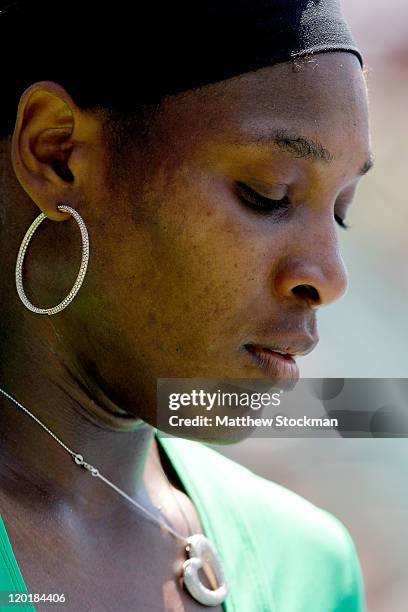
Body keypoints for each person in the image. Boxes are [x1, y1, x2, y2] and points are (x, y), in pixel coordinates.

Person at [0, 1, 371, 610]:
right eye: (268, 194)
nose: (329, 277)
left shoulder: (308, 567)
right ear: (56, 151)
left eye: (341, 213)